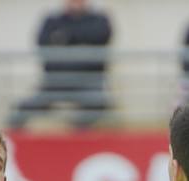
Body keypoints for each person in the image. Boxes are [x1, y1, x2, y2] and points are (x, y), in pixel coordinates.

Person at [9, 0, 112, 130]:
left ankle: (77, 137)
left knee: (99, 104)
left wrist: (64, 38)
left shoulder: (99, 19)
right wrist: (82, 43)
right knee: (22, 110)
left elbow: (101, 36)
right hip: (54, 82)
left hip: (89, 81)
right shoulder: (52, 20)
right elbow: (42, 43)